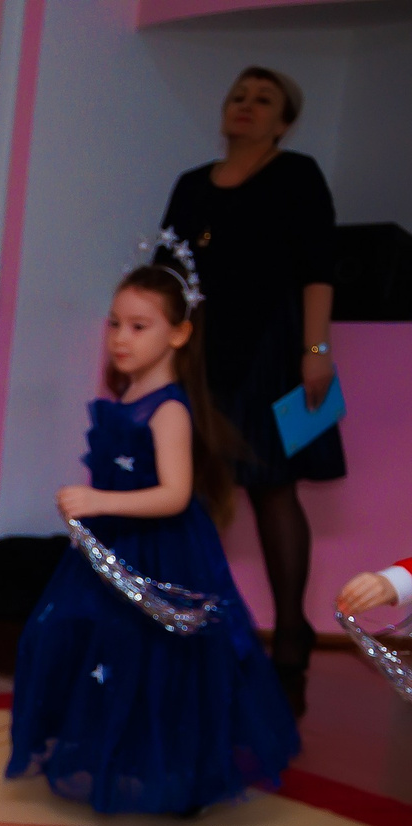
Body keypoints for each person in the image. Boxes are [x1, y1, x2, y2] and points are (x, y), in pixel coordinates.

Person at [6, 260, 297, 815]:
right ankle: (108, 752)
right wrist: (91, 527)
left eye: (140, 327)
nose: (121, 338)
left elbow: (175, 494)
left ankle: (160, 763)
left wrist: (97, 503)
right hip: (112, 549)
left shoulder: (169, 410)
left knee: (156, 655)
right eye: (115, 324)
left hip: (161, 553)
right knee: (90, 647)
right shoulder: (126, 401)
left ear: (180, 334)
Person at [163, 65, 344, 710]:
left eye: (263, 100)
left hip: (272, 348)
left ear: (283, 122)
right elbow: (167, 274)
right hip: (202, 353)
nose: (246, 106)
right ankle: (193, 626)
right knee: (193, 491)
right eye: (238, 95)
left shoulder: (297, 176)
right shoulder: (190, 186)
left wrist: (315, 351)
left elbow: (319, 267)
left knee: (273, 489)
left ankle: (291, 632)